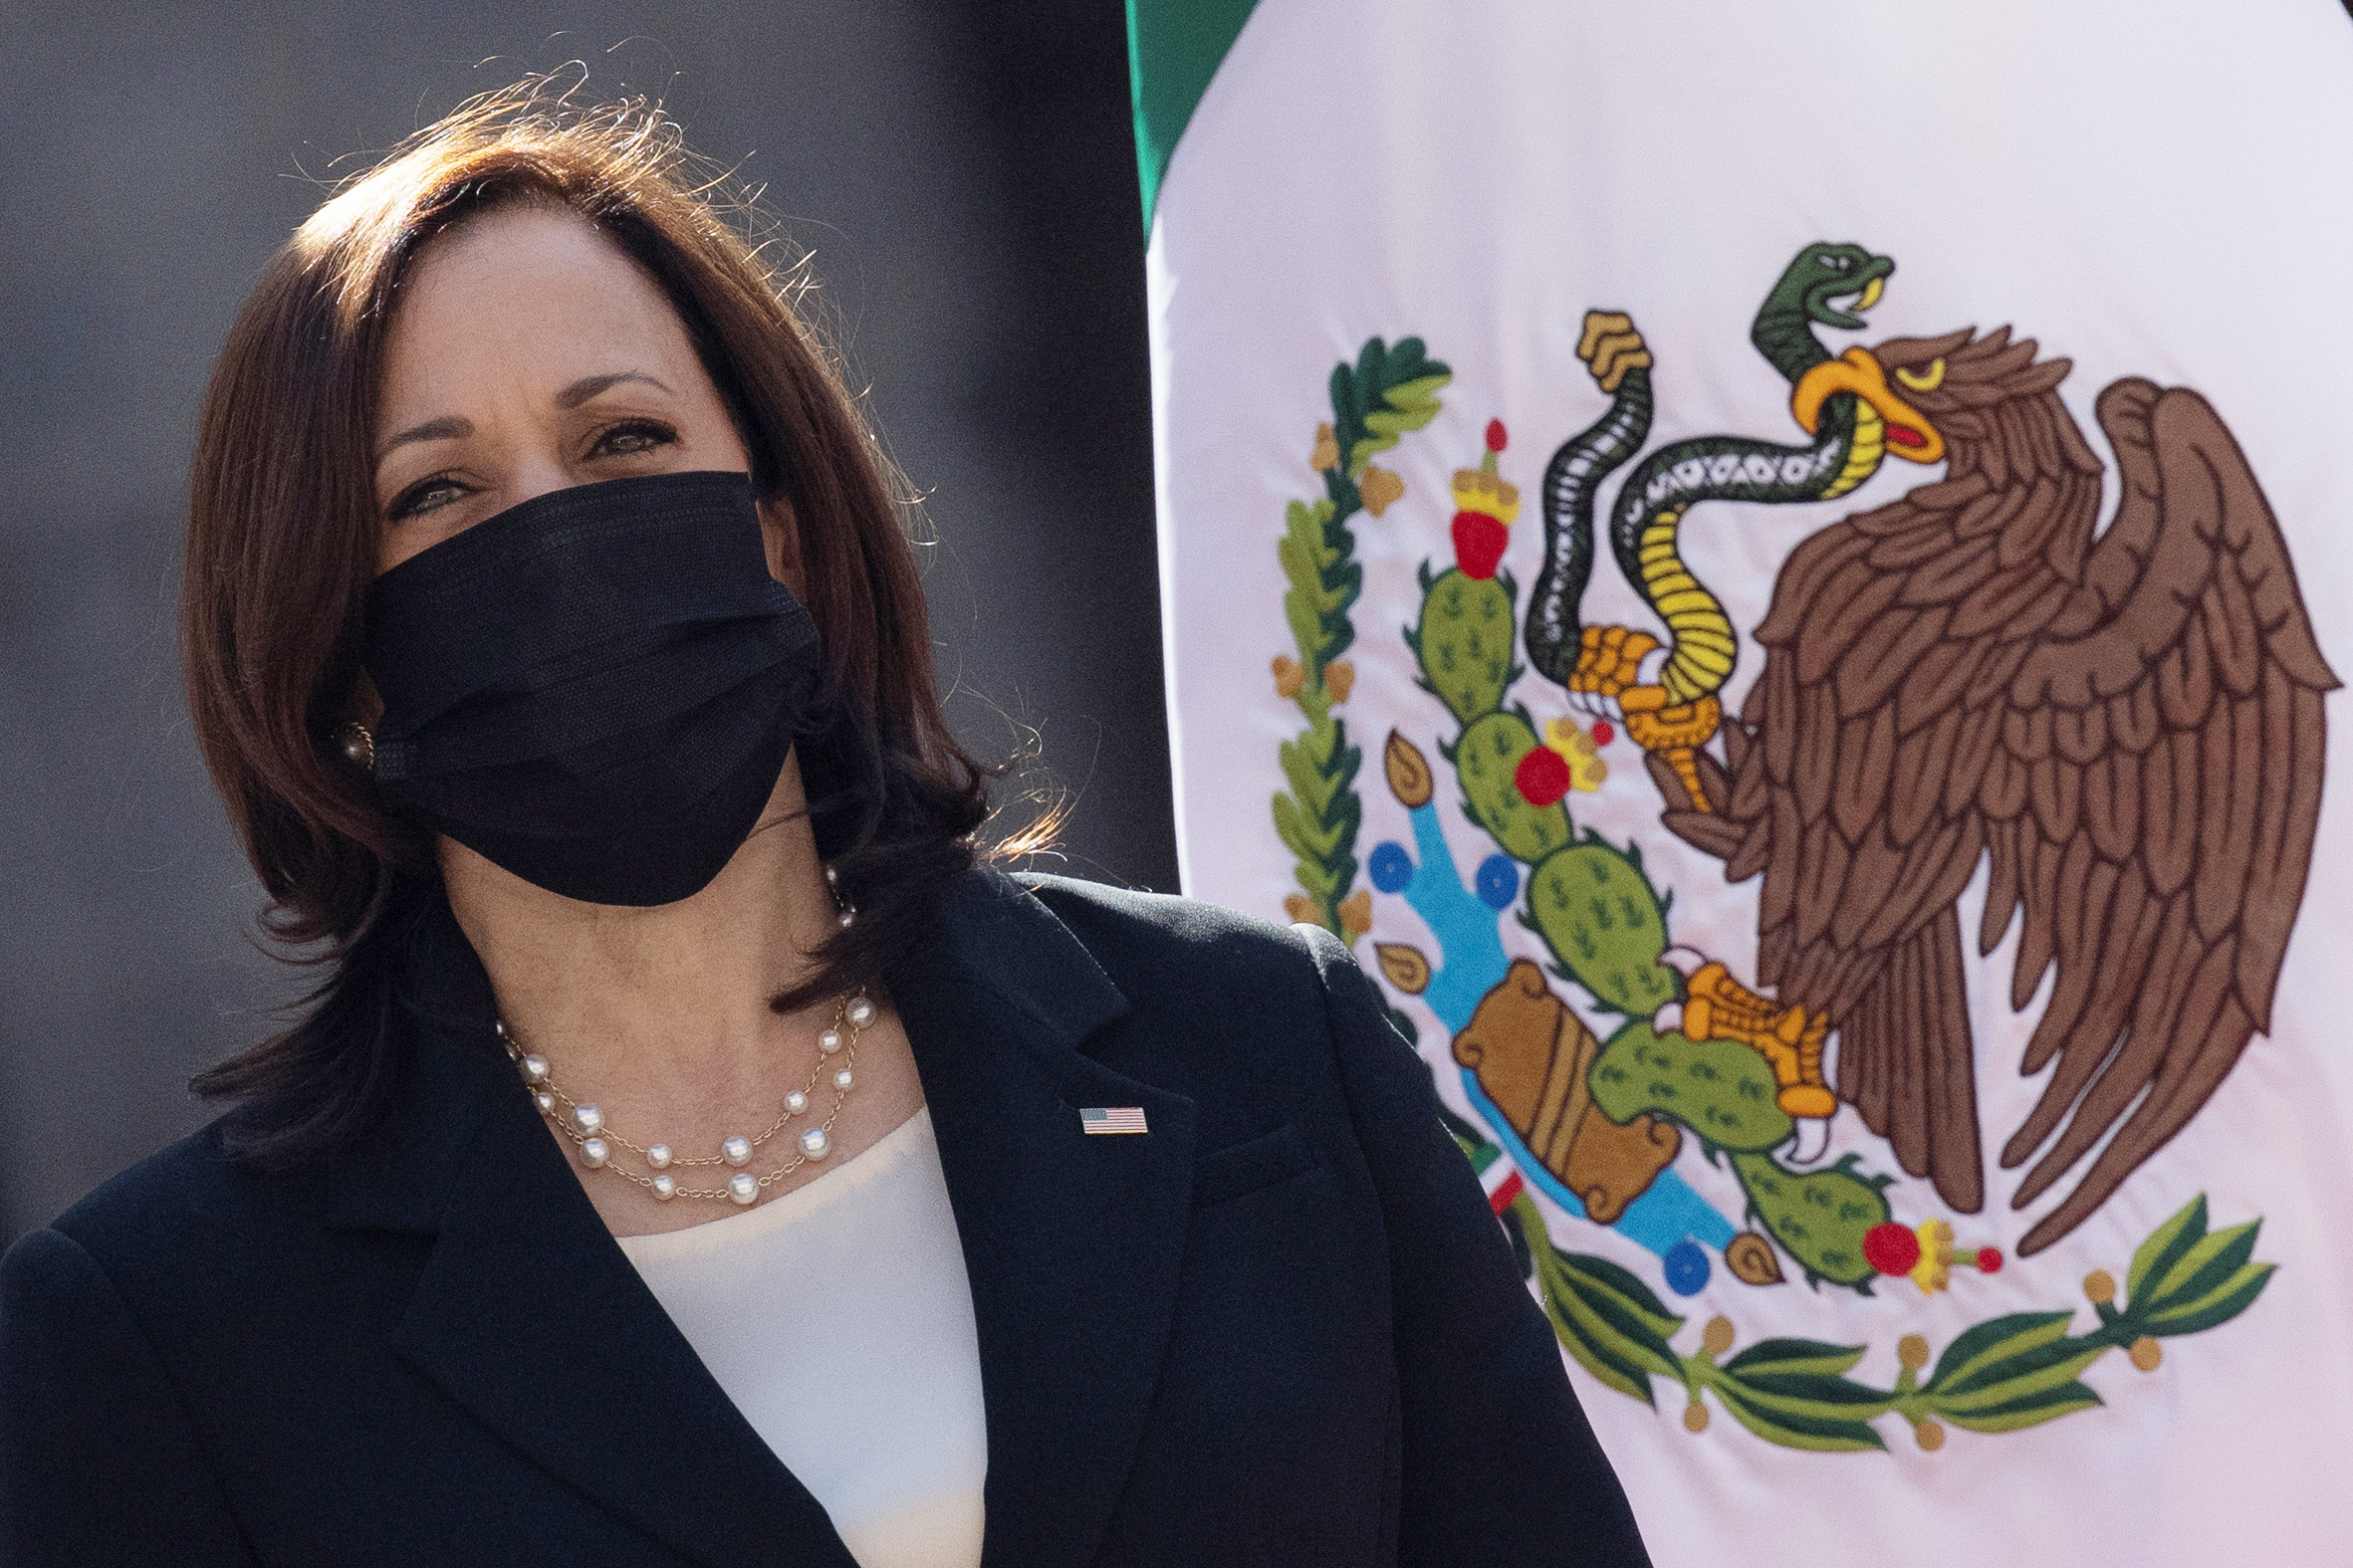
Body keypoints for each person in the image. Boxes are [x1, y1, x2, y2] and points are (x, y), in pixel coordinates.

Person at [0, 82, 1649, 1568]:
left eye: (624, 441)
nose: (562, 541)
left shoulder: (1264, 1043)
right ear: (333, 641)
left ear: (779, 529)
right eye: (438, 495)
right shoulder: (156, 1334)